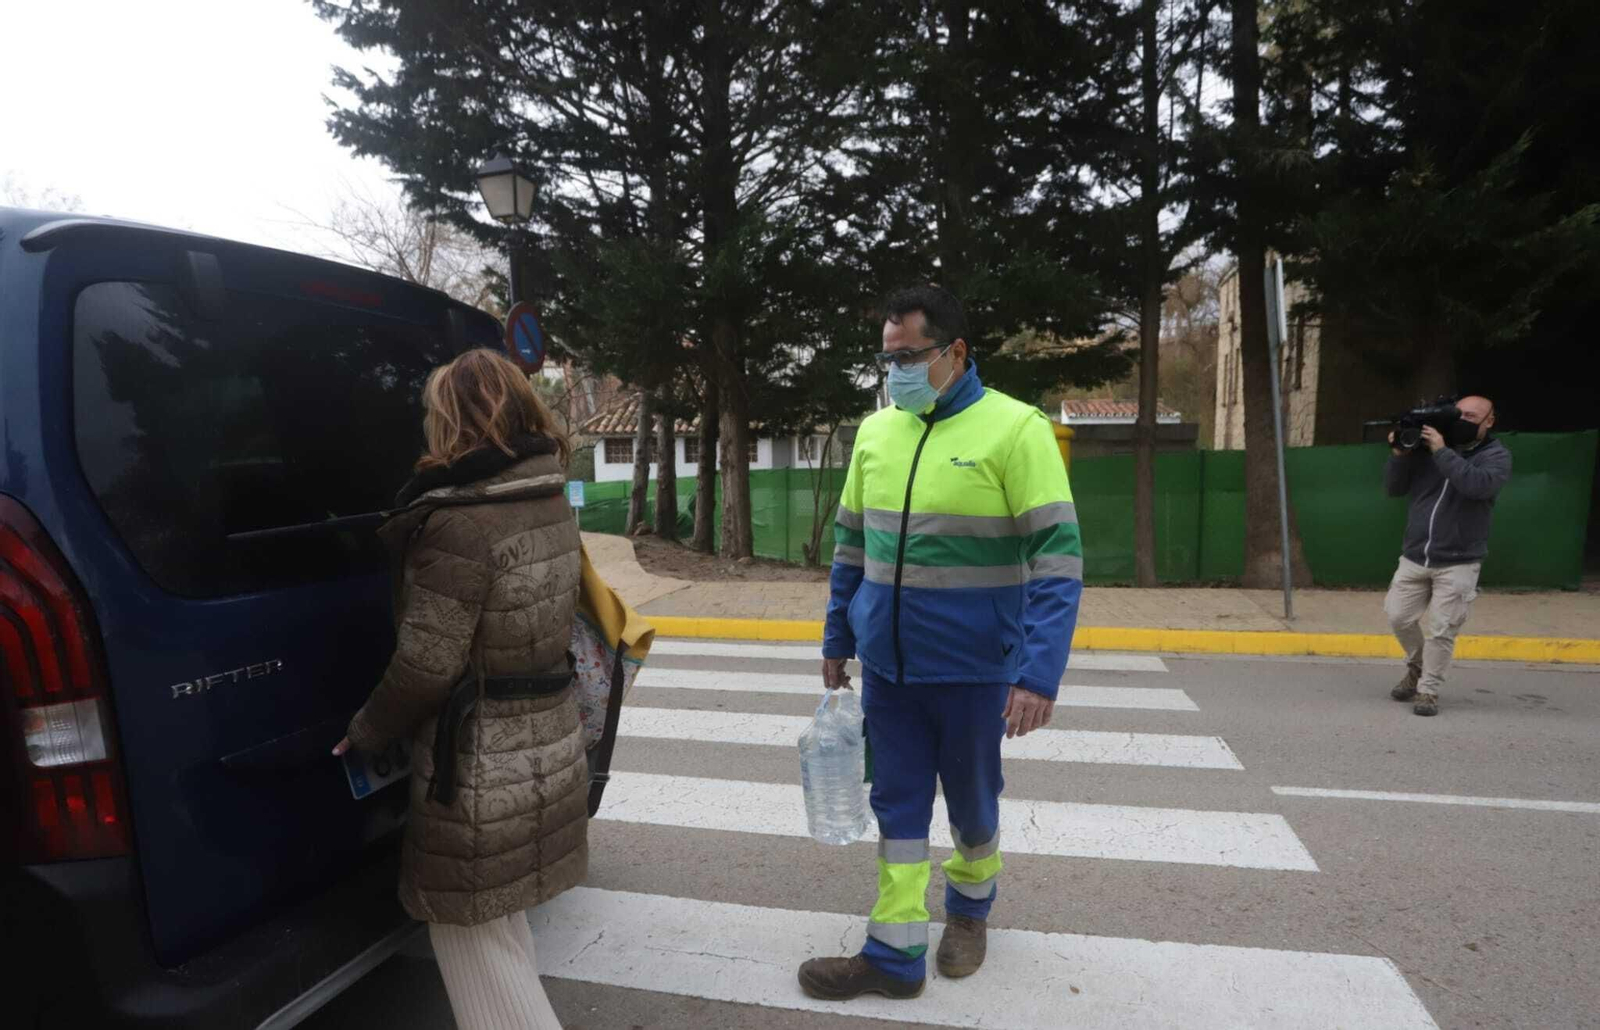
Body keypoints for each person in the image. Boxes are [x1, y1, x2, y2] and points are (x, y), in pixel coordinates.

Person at [798, 285, 1083, 1001]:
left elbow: (1058, 562)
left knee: (972, 806)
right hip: (889, 670)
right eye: (886, 358)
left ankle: (969, 910)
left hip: (973, 670)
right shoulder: (876, 433)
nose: (894, 371)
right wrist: (837, 636)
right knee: (896, 807)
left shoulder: (1015, 430)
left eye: (908, 356)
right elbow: (851, 548)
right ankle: (894, 954)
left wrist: (1038, 675)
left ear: (954, 352)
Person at [333, 349, 585, 1030]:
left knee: (465, 927)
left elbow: (425, 663)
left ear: (454, 419)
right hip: (546, 741)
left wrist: (366, 730)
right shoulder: (548, 497)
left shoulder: (457, 524)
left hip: (477, 765)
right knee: (498, 922)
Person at [1383, 395, 1511, 717]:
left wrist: (1442, 451)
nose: (1462, 420)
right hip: (1416, 555)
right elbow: (1394, 488)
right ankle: (1417, 666)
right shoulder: (1428, 448)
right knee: (1398, 617)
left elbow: (1477, 486)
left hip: (1459, 560)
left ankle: (1428, 690)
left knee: (1442, 630)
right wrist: (1399, 455)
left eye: (1472, 417)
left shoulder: (1495, 456)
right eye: (1459, 414)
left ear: (1489, 421)